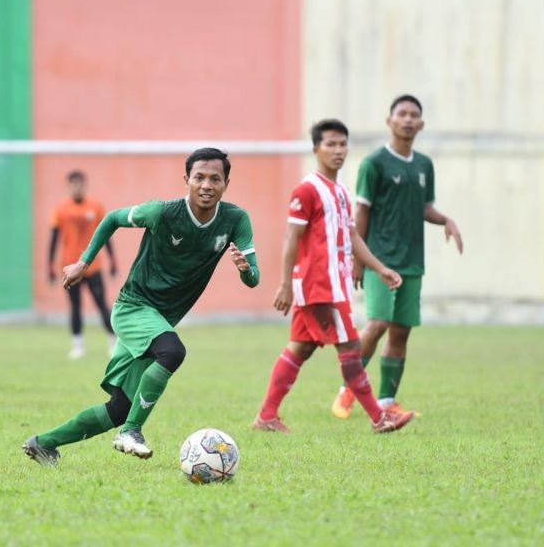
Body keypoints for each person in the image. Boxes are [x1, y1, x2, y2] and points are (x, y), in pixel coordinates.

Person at [24, 148, 259, 465]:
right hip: (133, 306)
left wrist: (245, 269)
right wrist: (83, 262)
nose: (206, 185)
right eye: (199, 177)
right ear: (186, 179)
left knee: (119, 407)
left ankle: (43, 443)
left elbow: (254, 279)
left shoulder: (235, 219)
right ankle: (131, 432)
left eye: (215, 179)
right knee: (173, 352)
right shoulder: (161, 213)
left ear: (226, 184)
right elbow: (112, 219)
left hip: (159, 318)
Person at [252, 119, 414, 435]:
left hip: (331, 285)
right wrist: (285, 283)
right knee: (352, 349)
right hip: (319, 287)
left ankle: (266, 416)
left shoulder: (339, 192)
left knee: (300, 347)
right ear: (316, 149)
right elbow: (291, 238)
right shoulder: (307, 190)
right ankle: (380, 418)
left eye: (342, 144)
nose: (338, 151)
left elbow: (352, 237)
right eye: (330, 144)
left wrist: (379, 268)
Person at [331, 95, 463, 420]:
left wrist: (445, 219)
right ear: (389, 121)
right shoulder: (374, 164)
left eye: (413, 115)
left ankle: (388, 401)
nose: (407, 119)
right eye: (401, 114)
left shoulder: (423, 165)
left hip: (411, 262)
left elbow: (423, 207)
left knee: (401, 331)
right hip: (379, 260)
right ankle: (347, 389)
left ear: (421, 124)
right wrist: (358, 260)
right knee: (377, 324)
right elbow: (361, 211)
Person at [48, 170, 117, 359]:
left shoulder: (95, 207)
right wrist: (50, 267)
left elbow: (106, 234)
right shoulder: (60, 209)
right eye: (73, 184)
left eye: (80, 184)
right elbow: (53, 239)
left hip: (92, 266)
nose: (77, 187)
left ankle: (113, 343)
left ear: (84, 185)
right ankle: (78, 346)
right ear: (69, 186)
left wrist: (113, 260)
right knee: (75, 306)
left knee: (101, 304)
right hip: (70, 267)